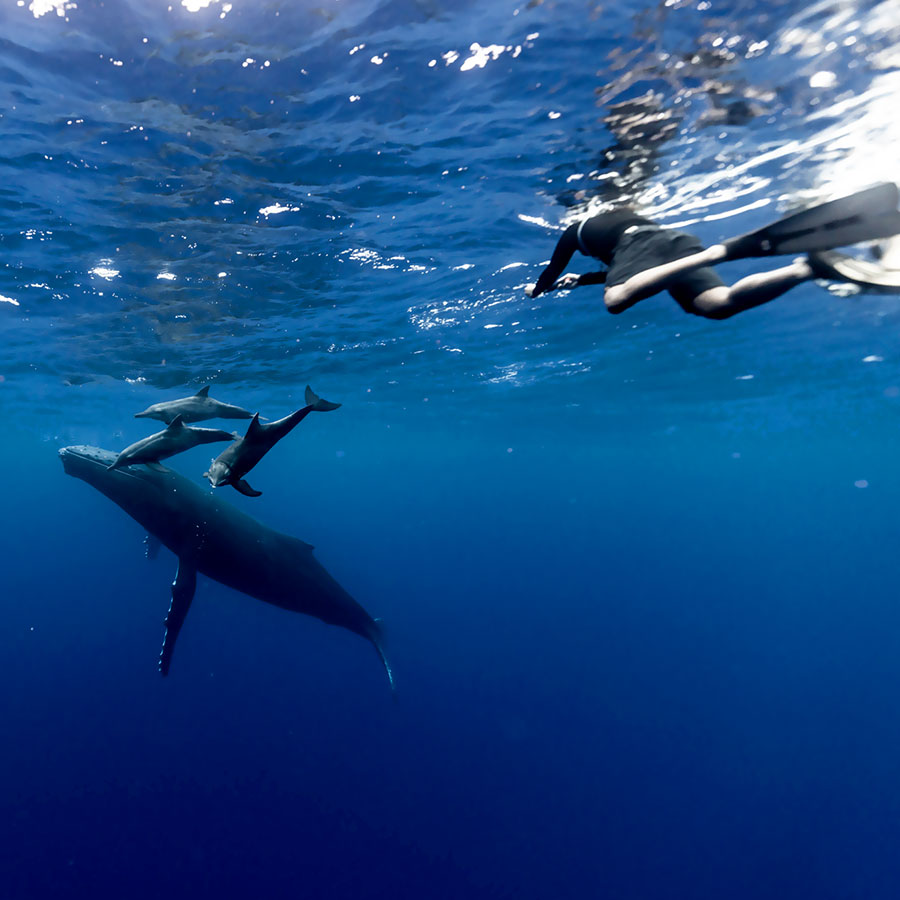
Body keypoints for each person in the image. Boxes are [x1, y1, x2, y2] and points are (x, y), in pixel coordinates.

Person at [526, 185, 900, 319]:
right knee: (715, 304)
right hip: (673, 242)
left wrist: (539, 289)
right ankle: (806, 269)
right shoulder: (614, 219)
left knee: (616, 300)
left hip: (646, 246)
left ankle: (723, 252)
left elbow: (551, 270)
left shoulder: (574, 231)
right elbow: (639, 267)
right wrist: (582, 281)